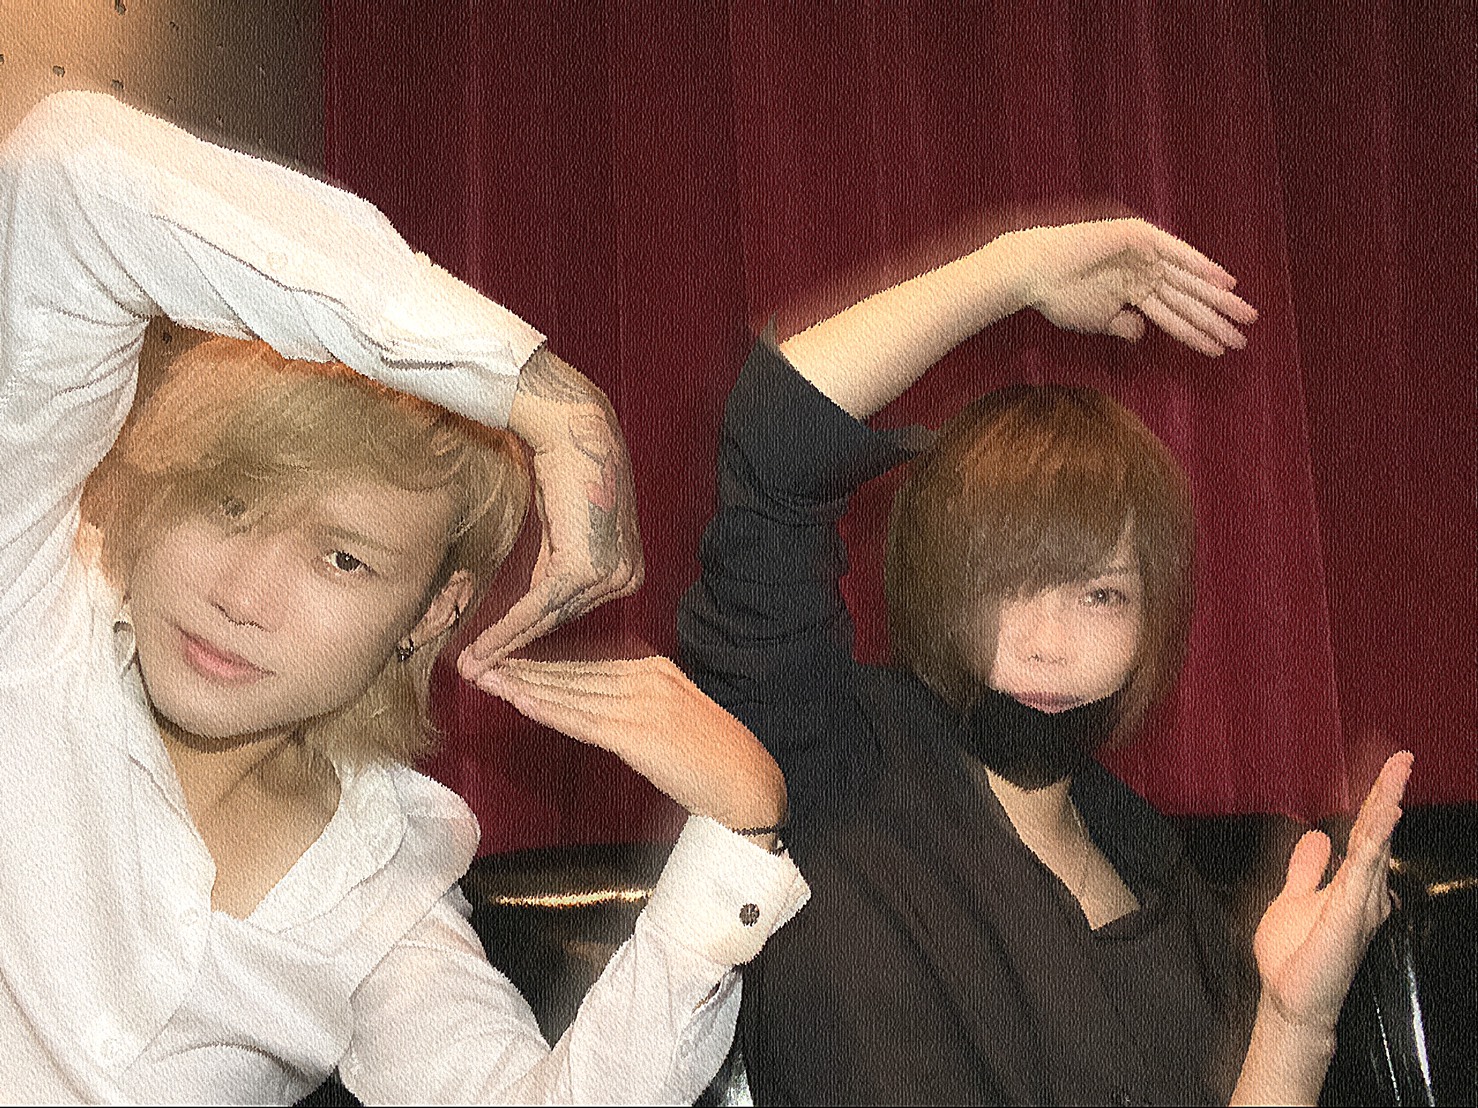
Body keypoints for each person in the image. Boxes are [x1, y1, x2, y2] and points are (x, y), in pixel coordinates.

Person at [0, 91, 806, 1103]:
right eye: (227, 504)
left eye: (342, 559)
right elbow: (68, 175)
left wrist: (741, 827)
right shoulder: (29, 611)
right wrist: (545, 398)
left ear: (431, 612)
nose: (240, 596)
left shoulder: (381, 874)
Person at [677, 218, 1412, 1104]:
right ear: (937, 584)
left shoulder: (1153, 870)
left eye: (1100, 595)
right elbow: (774, 439)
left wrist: (1296, 1022)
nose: (1048, 642)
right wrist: (1012, 272)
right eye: (1007, 585)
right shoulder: (829, 757)